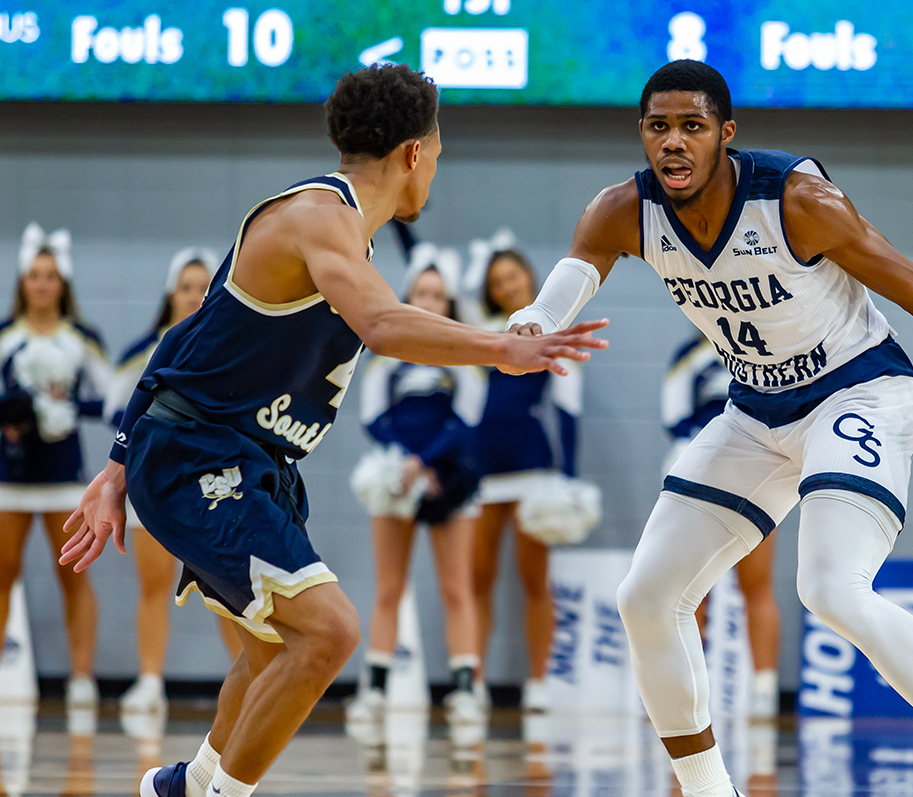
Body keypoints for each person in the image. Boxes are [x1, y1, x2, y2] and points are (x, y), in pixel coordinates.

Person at [504, 60, 913, 797]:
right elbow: (577, 270)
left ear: (725, 134)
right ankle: (709, 791)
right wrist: (536, 320)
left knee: (830, 587)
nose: (673, 142)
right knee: (646, 597)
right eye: (658, 127)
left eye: (692, 126)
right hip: (757, 409)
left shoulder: (798, 200)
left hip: (858, 391)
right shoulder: (621, 210)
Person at [58, 63, 606, 797]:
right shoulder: (318, 215)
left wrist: (116, 463)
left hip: (245, 459)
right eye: (437, 153)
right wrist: (500, 347)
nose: (435, 168)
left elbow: (185, 339)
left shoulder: (337, 230)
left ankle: (186, 785)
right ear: (414, 152)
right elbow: (380, 323)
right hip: (199, 454)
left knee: (269, 650)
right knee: (330, 632)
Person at [346, 241, 485, 729]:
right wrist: (405, 461)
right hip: (395, 479)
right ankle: (375, 691)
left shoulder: (465, 354)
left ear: (450, 302)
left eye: (437, 295)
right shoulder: (385, 354)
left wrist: (426, 464)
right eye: (421, 293)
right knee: (389, 588)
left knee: (456, 587)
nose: (429, 302)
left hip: (449, 481)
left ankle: (465, 690)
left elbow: (466, 421)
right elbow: (373, 417)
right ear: (407, 297)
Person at [107, 248, 244, 715]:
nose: (195, 296)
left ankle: (248, 681)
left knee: (226, 591)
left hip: (212, 487)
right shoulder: (147, 350)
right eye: (186, 287)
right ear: (170, 293)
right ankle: (150, 682)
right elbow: (115, 408)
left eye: (204, 288)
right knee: (154, 585)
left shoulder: (229, 347)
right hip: (154, 483)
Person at [466, 244, 582, 713]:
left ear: (529, 275)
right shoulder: (482, 330)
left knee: (535, 579)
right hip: (483, 467)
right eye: (497, 282)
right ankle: (471, 681)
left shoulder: (552, 333)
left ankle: (539, 682)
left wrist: (569, 479)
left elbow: (569, 409)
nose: (506, 286)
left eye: (512, 276)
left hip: (532, 465)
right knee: (478, 578)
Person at [0, 222, 109, 713]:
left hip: (65, 476)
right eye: (34, 275)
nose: (42, 284)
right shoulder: (6, 337)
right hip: (10, 477)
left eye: (50, 276)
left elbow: (113, 400)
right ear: (22, 282)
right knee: (3, 573)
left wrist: (70, 410)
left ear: (62, 283)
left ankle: (82, 678)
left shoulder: (82, 338)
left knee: (74, 574)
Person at [665, 332, 781, 719]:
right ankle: (686, 694)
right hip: (701, 475)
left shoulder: (771, 344)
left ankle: (764, 692)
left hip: (759, 474)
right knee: (690, 591)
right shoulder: (689, 354)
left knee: (757, 585)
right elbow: (674, 420)